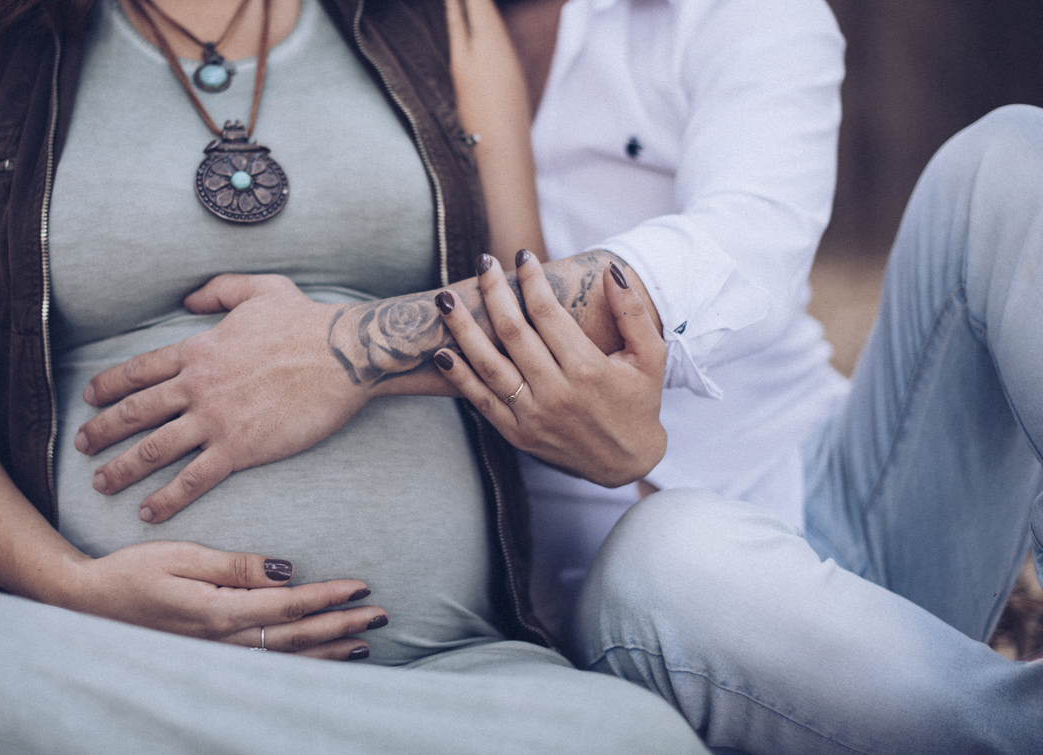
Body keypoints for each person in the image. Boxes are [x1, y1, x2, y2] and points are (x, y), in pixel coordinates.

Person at [0, 0, 707, 751]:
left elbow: (527, 324)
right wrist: (76, 586)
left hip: (447, 672)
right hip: (124, 665)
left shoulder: (443, 16)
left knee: (639, 740)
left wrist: (600, 432)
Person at [433, 2, 1043, 752]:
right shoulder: (379, 37)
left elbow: (747, 247)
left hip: (847, 507)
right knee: (668, 553)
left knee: (1015, 158)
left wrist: (336, 353)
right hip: (644, 600)